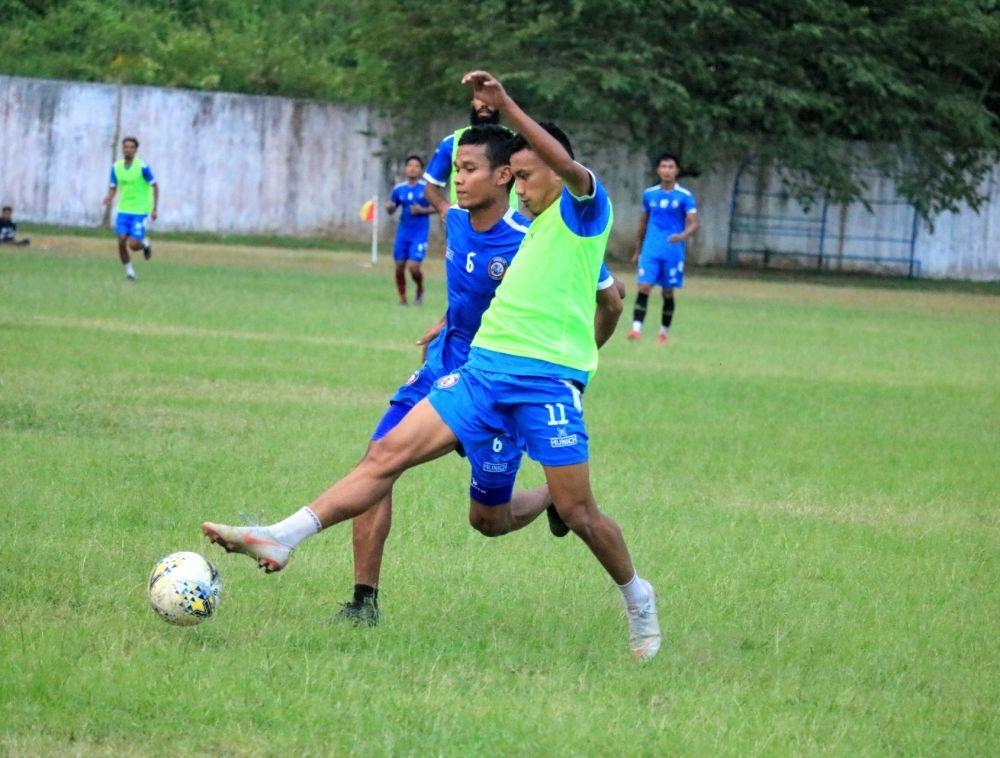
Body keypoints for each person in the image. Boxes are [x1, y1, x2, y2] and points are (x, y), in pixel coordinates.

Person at [201, 71, 660, 661]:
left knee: (578, 511)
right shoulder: (503, 225)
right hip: (484, 372)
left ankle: (636, 595)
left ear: (554, 166)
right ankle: (283, 536)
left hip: (547, 382)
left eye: (525, 176)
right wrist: (451, 320)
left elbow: (598, 268)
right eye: (512, 177)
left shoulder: (582, 212)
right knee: (385, 455)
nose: (518, 189)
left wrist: (506, 108)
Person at [336, 126, 624, 626]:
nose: (458, 180)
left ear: (505, 175)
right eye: (456, 171)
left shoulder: (536, 233)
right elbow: (470, 282)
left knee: (489, 521)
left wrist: (576, 360)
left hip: (504, 375)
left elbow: (607, 296)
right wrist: (450, 318)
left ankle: (553, 497)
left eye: (469, 170)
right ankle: (364, 602)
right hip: (445, 368)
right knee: (378, 462)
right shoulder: (457, 221)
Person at [628, 153, 698, 344]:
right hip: (651, 248)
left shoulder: (685, 196)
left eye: (671, 167)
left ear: (677, 171)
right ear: (658, 170)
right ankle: (636, 330)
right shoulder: (649, 194)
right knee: (643, 286)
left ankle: (663, 332)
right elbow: (642, 223)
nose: (667, 170)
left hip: (673, 250)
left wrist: (682, 236)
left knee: (667, 291)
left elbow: (693, 224)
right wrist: (637, 250)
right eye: (664, 167)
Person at [422, 96, 516, 219]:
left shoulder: (514, 142)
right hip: (463, 228)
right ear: (472, 102)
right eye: (479, 98)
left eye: (470, 168)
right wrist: (443, 207)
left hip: (508, 226)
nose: (484, 103)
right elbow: (430, 189)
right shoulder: (451, 142)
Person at [101, 136, 158, 281]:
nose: (128, 149)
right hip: (124, 210)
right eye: (126, 147)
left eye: (131, 147)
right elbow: (113, 187)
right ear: (122, 149)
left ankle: (144, 243)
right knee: (121, 241)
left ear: (136, 150)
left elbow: (155, 186)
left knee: (133, 245)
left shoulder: (142, 167)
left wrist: (154, 208)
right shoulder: (116, 167)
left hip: (140, 211)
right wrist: (109, 197)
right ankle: (130, 273)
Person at [386, 155, 436, 305]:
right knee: (400, 265)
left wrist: (422, 210)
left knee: (413, 267)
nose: (412, 168)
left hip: (419, 233)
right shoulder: (399, 189)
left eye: (416, 166)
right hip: (403, 232)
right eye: (410, 165)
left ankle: (420, 289)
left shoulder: (426, 189)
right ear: (405, 168)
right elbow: (391, 208)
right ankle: (402, 297)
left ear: (421, 170)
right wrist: (389, 208)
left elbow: (438, 207)